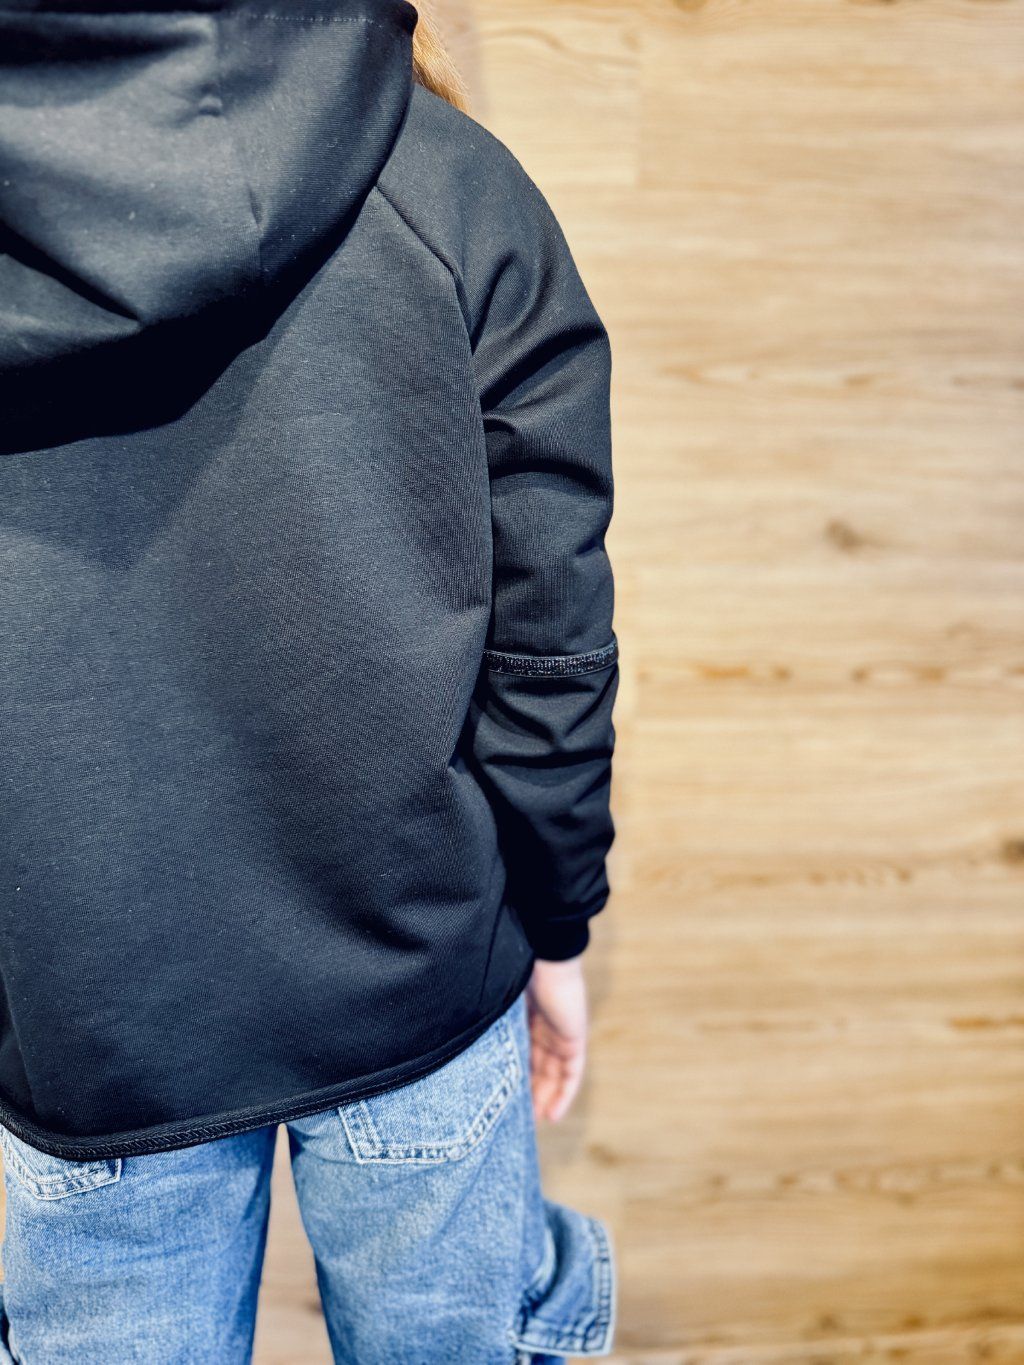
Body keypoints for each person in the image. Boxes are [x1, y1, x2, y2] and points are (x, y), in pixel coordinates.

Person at [0, 0, 619, 1359]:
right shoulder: (454, 192)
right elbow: (550, 638)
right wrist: (560, 919)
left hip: (89, 1013)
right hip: (415, 967)